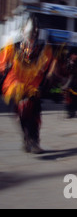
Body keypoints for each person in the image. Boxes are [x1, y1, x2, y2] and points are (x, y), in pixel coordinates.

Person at [0, 16, 57, 153]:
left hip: (34, 86)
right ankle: (27, 139)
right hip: (15, 85)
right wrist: (5, 67)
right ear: (23, 31)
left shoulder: (43, 48)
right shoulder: (12, 46)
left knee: (34, 112)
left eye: (36, 30)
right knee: (22, 112)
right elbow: (2, 63)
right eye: (31, 30)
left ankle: (33, 141)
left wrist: (50, 74)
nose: (33, 32)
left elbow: (52, 63)